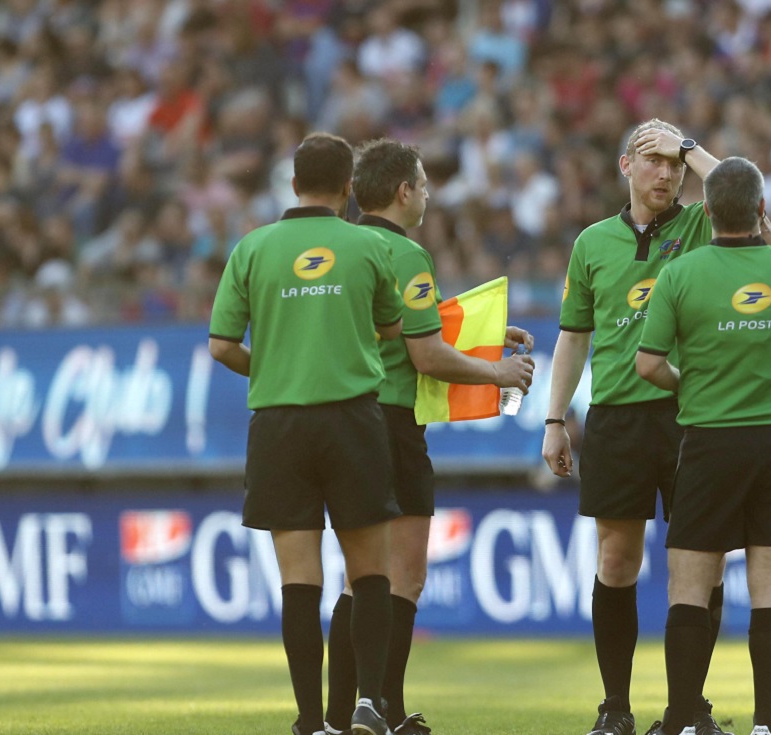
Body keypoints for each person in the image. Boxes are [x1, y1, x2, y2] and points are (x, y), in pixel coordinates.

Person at [322, 137, 536, 735]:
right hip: (392, 423)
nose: (428, 195)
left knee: (357, 576)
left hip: (343, 421)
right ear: (403, 191)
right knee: (404, 576)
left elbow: (406, 327)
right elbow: (426, 355)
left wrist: (487, 338)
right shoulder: (407, 254)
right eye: (423, 184)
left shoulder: (341, 247)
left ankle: (339, 716)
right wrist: (497, 372)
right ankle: (384, 709)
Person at [635, 157, 771, 735]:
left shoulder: (680, 273)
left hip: (709, 443)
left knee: (689, 587)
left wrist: (689, 384)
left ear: (705, 211)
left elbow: (648, 364)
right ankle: (766, 722)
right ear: (761, 209)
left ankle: (681, 720)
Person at [207, 131, 402, 735]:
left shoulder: (253, 248)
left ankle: (311, 721)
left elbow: (221, 345)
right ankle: (369, 702)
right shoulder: (368, 245)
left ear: (292, 184)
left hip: (280, 425)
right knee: (369, 571)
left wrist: (272, 366)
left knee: (299, 580)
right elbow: (392, 329)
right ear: (349, 188)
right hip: (352, 420)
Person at [541, 118, 726, 735]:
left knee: (700, 565)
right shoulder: (592, 242)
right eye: (654, 160)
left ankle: (689, 708)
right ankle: (615, 708)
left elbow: (742, 194)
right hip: (617, 417)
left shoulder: (701, 224)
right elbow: (573, 337)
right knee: (616, 559)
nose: (667, 173)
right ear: (626, 166)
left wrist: (689, 146)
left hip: (692, 414)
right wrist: (554, 420)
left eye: (675, 165)